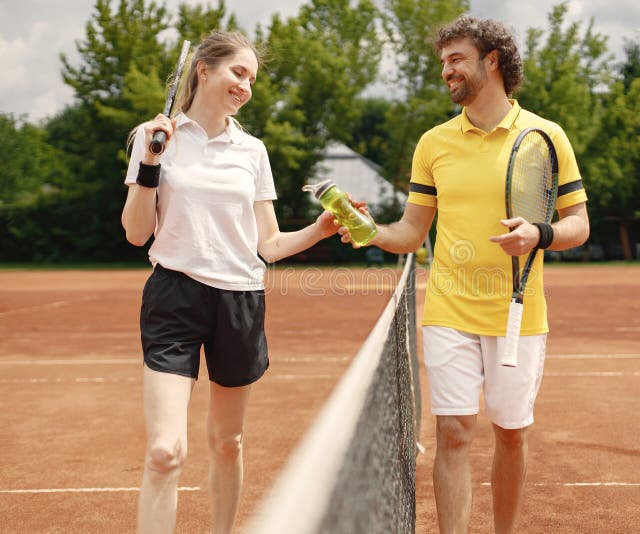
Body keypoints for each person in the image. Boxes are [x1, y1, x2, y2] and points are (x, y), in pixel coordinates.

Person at [338, 15, 590, 534]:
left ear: (491, 60)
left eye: (456, 60)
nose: (447, 71)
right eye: (444, 62)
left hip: (518, 313)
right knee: (452, 431)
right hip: (449, 309)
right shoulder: (433, 143)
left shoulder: (546, 137)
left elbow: (579, 225)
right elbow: (411, 232)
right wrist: (369, 231)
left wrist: (539, 234)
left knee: (511, 433)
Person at [121, 31, 338, 534]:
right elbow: (136, 234)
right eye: (238, 72)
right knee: (163, 452)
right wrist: (152, 161)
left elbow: (270, 245)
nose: (246, 85)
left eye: (252, 79)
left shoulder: (253, 150)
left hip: (240, 298)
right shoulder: (153, 138)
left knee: (227, 442)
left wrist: (320, 229)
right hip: (173, 295)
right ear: (203, 70)